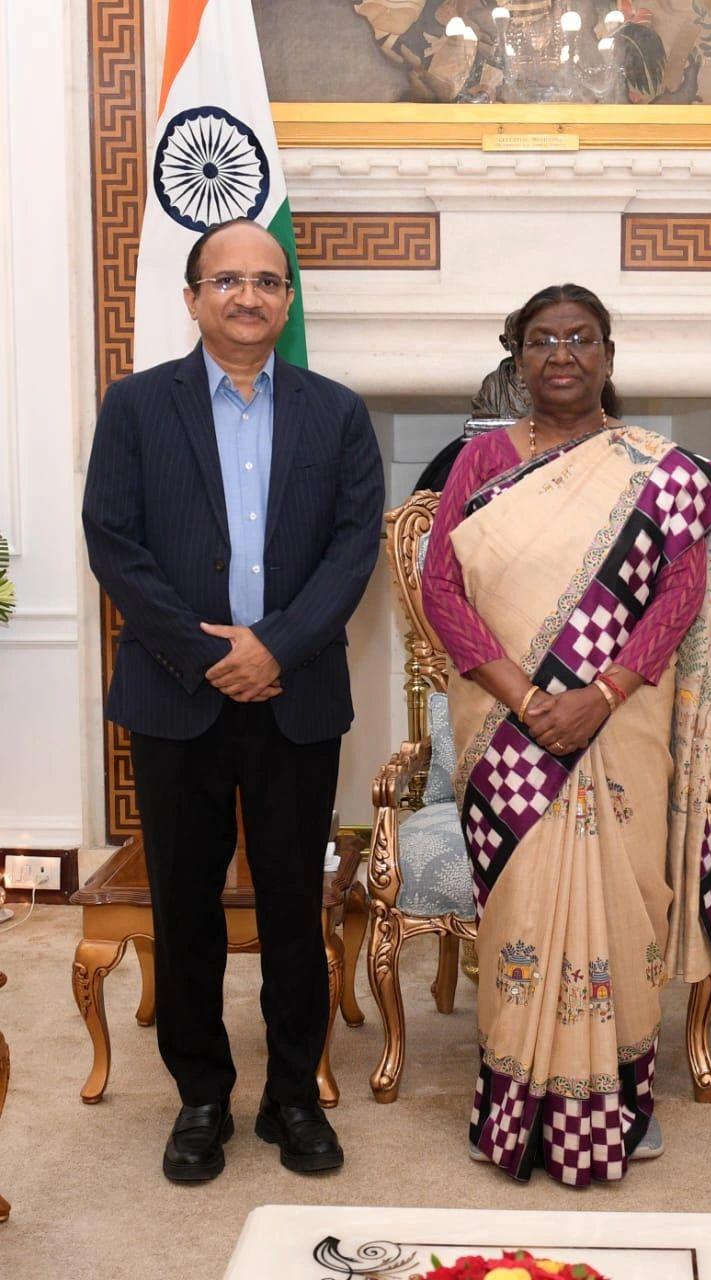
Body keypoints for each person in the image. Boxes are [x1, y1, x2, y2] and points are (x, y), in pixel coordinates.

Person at [421, 283, 711, 1186]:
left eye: (579, 339)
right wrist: (529, 698)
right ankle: (513, 1107)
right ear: (517, 357)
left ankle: (620, 1105)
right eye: (541, 340)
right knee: (519, 913)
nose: (561, 354)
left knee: (620, 907)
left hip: (617, 729)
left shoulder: (656, 469)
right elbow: (439, 592)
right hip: (506, 731)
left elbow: (678, 593)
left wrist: (602, 691)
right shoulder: (477, 460)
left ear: (609, 355)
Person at [83, 217, 384, 1184]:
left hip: (296, 696)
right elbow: (113, 541)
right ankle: (202, 1095)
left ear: (286, 299)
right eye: (227, 281)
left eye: (267, 280)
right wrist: (208, 654)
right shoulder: (134, 407)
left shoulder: (336, 412)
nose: (247, 296)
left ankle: (292, 1097)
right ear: (193, 297)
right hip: (177, 696)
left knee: (298, 903)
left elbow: (353, 545)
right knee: (185, 905)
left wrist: (276, 647)